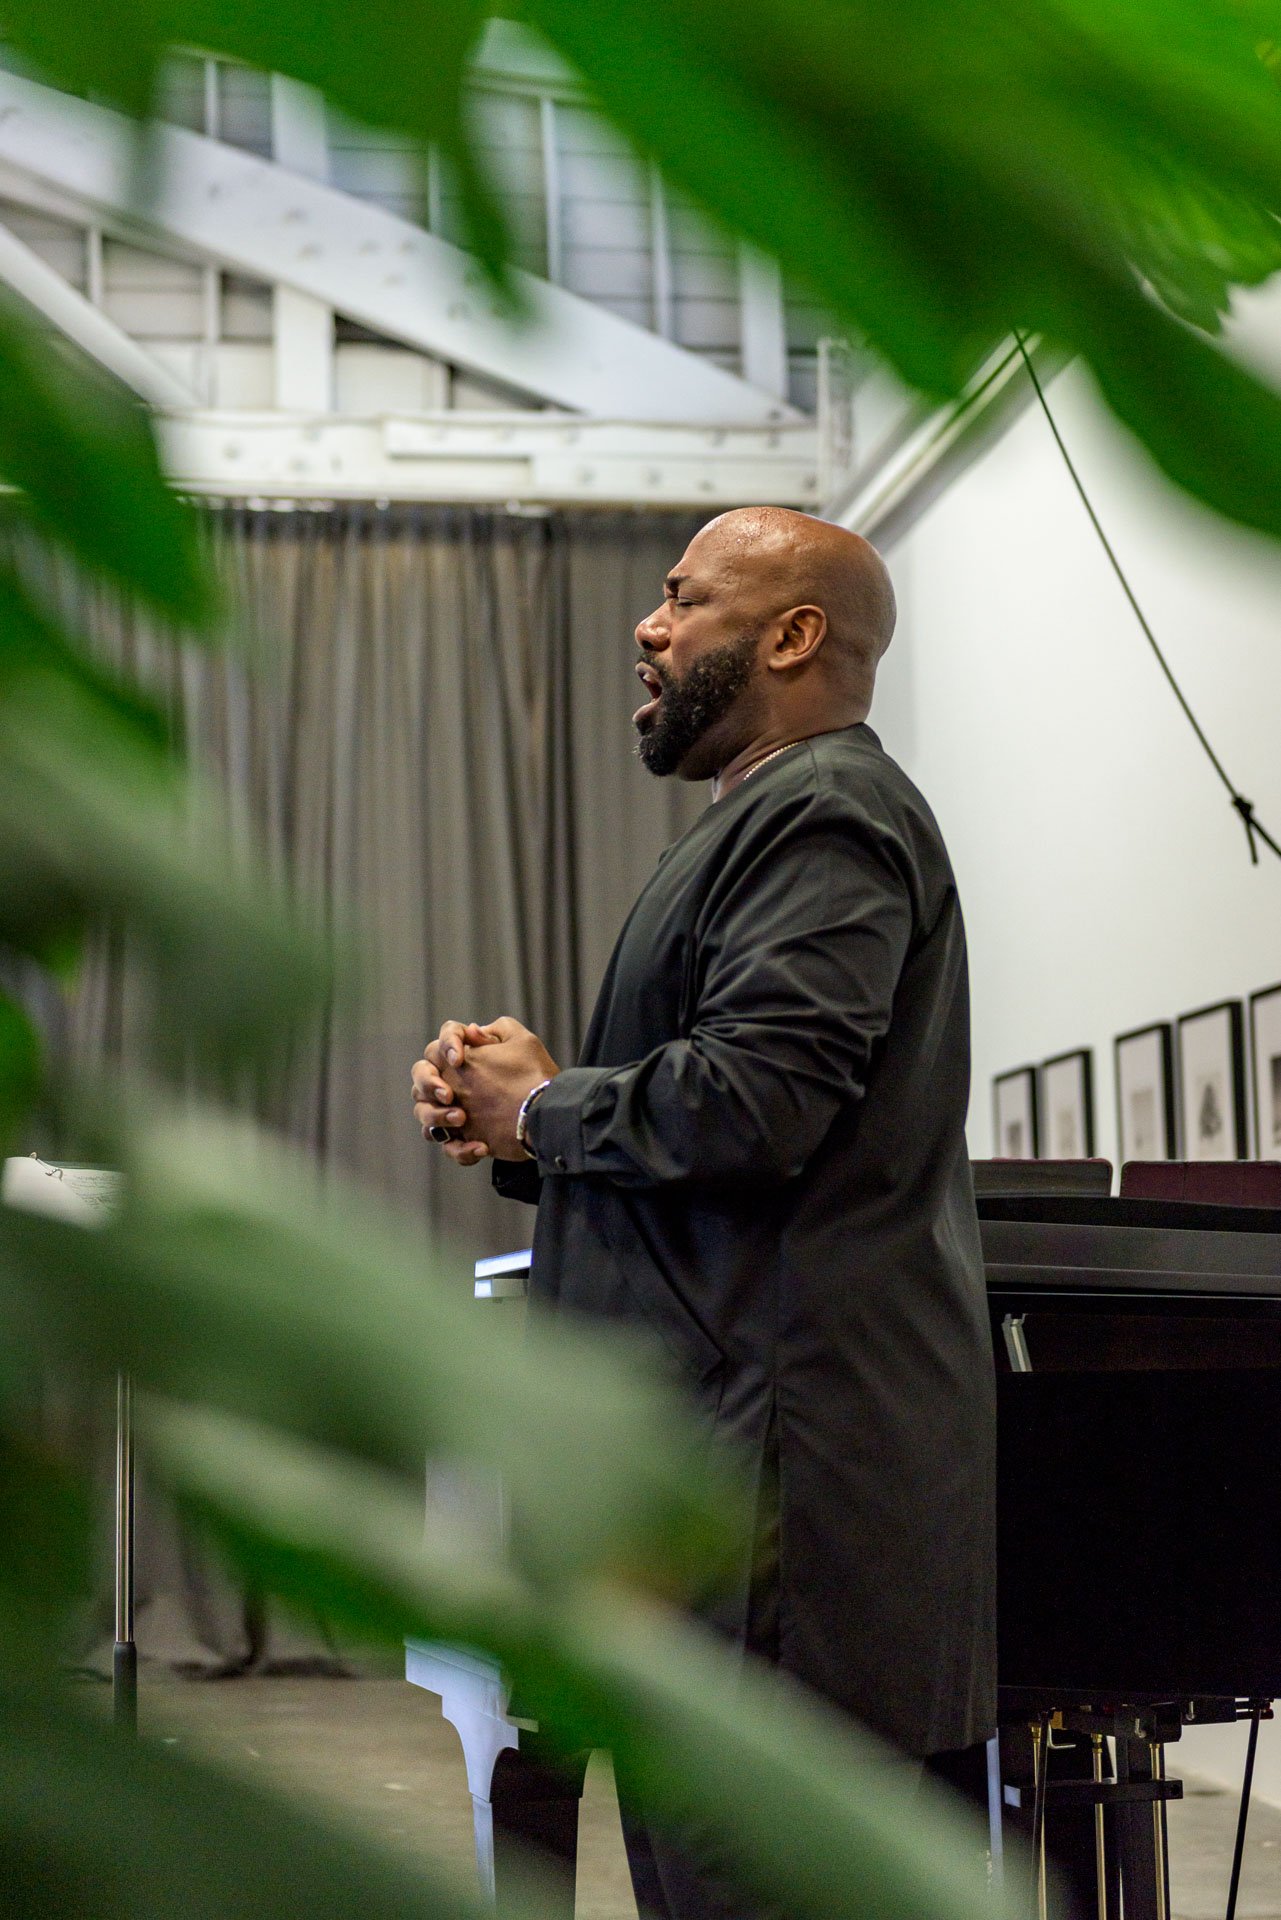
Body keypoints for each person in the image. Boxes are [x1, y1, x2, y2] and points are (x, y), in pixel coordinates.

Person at [411, 506, 996, 1919]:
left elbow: (758, 1102)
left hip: (772, 1502)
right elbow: (747, 1135)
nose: (649, 624)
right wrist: (525, 1126)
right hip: (732, 1480)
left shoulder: (826, 809)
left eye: (683, 600)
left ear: (792, 635)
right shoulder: (774, 811)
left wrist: (548, 1108)